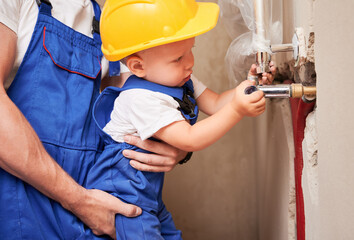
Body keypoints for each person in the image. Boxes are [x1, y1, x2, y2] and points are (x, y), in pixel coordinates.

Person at [86, 0, 276, 239]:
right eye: (178, 58)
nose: (190, 62)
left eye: (191, 50)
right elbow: (190, 139)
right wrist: (237, 109)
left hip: (147, 192)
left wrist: (249, 87)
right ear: (138, 66)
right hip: (123, 197)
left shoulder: (178, 78)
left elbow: (217, 103)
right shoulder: (140, 99)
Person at [0, 0, 189, 239]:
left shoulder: (109, 20)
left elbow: (148, 107)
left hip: (97, 207)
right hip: (26, 207)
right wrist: (79, 200)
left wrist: (178, 148)